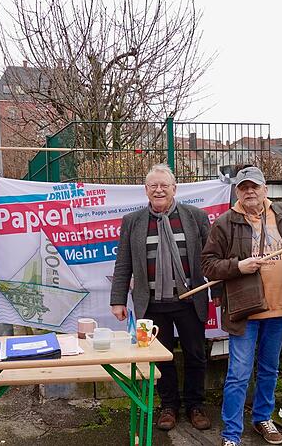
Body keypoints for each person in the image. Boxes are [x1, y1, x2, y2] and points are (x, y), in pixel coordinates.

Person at [202, 166, 282, 446]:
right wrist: (237, 266)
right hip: (244, 311)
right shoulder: (225, 223)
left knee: (270, 368)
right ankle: (231, 433)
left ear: (264, 189)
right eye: (244, 187)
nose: (249, 192)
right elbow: (208, 265)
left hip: (280, 309)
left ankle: (262, 418)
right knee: (238, 373)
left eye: (254, 186)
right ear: (237, 192)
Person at [110, 163, 213, 431]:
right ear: (145, 190)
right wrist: (117, 299)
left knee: (196, 355)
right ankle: (168, 406)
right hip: (152, 304)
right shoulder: (132, 222)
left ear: (174, 189)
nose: (159, 190)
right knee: (160, 358)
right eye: (153, 186)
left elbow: (212, 261)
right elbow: (123, 263)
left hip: (189, 301)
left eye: (164, 185)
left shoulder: (196, 217)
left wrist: (222, 295)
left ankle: (195, 405)